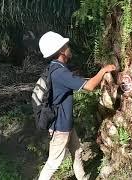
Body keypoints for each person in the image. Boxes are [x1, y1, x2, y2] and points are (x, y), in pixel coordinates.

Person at [37, 31, 116, 180]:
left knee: (77, 151)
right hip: (60, 127)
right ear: (61, 51)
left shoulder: (54, 68)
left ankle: (82, 178)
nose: (69, 48)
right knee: (53, 163)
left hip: (66, 123)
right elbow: (90, 86)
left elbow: (80, 82)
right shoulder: (59, 73)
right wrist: (103, 70)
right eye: (66, 45)